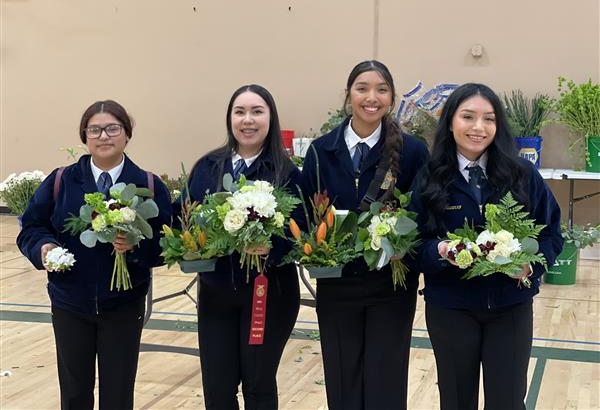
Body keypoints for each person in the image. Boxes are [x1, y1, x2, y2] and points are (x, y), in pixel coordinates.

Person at [410, 83, 563, 410]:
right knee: (455, 400)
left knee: (507, 402)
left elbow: (552, 234)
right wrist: (439, 252)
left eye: (488, 119)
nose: (478, 127)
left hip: (510, 309)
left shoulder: (522, 175)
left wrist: (530, 265)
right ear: (450, 122)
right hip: (451, 309)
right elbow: (413, 246)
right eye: (468, 116)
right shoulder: (430, 177)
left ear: (499, 125)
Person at [17, 100, 172, 410]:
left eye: (112, 128)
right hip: (69, 302)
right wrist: (43, 247)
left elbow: (167, 244)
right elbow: (32, 227)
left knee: (118, 394)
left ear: (127, 134)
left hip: (124, 305)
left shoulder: (149, 185)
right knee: (74, 393)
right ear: (85, 137)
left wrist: (136, 247)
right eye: (95, 130)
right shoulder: (62, 180)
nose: (104, 136)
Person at [301, 60, 429, 410]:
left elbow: (426, 213)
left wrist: (406, 245)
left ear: (391, 97)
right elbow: (302, 211)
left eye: (381, 89)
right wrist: (312, 245)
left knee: (385, 382)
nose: (371, 97)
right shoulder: (321, 150)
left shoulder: (413, 151)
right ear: (348, 95)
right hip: (337, 284)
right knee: (342, 381)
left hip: (391, 286)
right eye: (362, 88)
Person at [184, 84, 302, 410]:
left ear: (270, 118)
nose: (247, 120)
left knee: (258, 384)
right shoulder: (208, 167)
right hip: (216, 293)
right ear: (230, 119)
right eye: (240, 112)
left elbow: (303, 230)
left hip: (269, 294)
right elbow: (186, 220)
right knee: (218, 387)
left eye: (257, 111)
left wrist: (273, 246)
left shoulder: (286, 172)